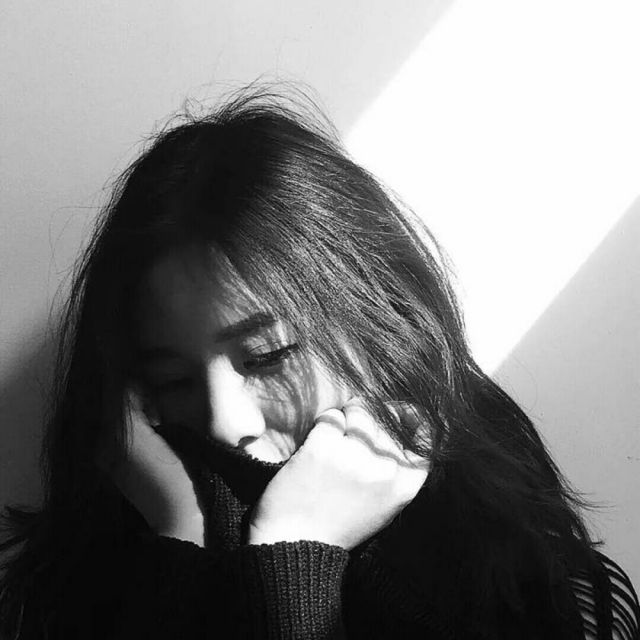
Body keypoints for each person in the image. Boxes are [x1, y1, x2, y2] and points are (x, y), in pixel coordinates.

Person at [0, 87, 638, 639]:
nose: (225, 423)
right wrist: (180, 538)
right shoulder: (91, 582)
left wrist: (293, 554)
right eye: (173, 380)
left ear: (376, 322)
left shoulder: (518, 577)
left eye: (268, 356)